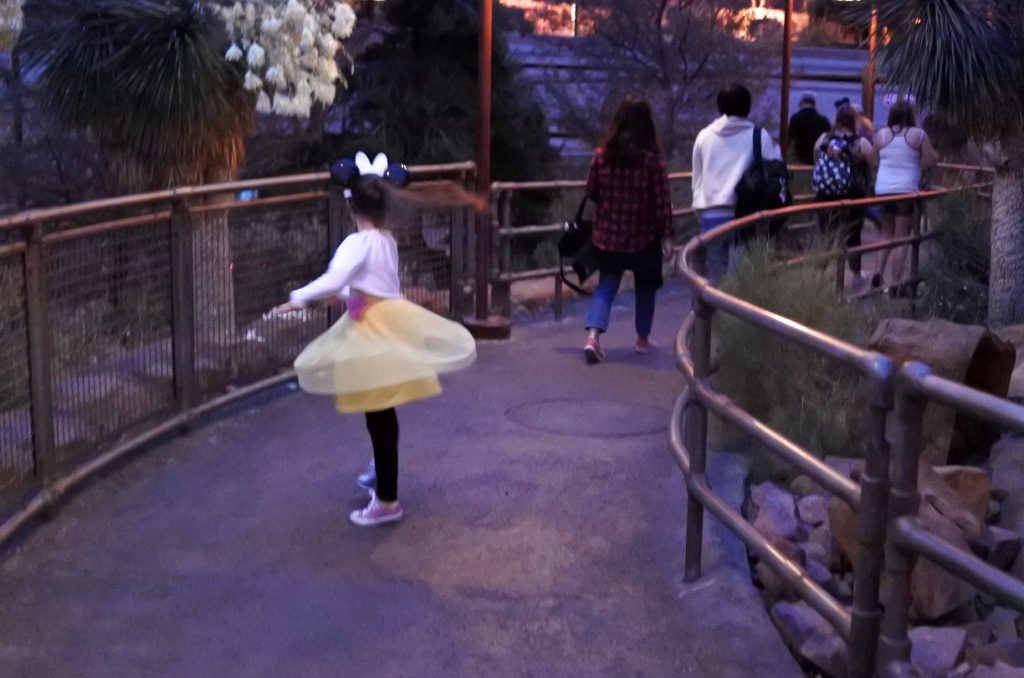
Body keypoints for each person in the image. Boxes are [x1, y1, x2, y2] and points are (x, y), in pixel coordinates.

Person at [273, 155, 477, 527]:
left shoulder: (358, 242)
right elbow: (374, 284)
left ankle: (386, 498)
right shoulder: (386, 240)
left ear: (350, 205)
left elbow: (335, 279)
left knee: (379, 414)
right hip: (386, 325)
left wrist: (298, 296)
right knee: (382, 412)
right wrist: (348, 294)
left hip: (371, 332)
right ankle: (381, 476)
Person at [581, 96, 673, 364]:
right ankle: (642, 339)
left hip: (608, 234)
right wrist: (667, 234)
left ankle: (593, 337)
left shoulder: (602, 154)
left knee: (607, 284)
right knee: (646, 286)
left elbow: (592, 191)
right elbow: (662, 199)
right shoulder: (652, 158)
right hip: (644, 236)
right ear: (647, 123)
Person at [692, 82, 783, 284]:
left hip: (711, 215)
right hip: (745, 216)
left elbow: (697, 179)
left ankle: (712, 314)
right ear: (748, 107)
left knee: (715, 276)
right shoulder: (759, 137)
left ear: (720, 106)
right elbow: (774, 173)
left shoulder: (704, 136)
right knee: (740, 279)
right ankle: (733, 314)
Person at [869, 100, 938, 290]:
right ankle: (896, 283)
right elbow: (931, 160)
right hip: (906, 191)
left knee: (885, 234)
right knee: (901, 237)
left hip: (883, 190)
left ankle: (878, 272)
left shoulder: (881, 134)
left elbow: (874, 162)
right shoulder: (918, 135)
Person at [812, 105, 873, 287]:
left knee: (825, 233)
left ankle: (819, 276)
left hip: (825, 193)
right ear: (855, 120)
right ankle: (855, 275)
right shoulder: (860, 142)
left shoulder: (824, 138)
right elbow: (872, 161)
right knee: (853, 235)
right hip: (853, 195)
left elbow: (816, 157)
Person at [787, 91, 831, 165]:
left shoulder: (795, 118)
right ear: (814, 104)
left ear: (801, 102)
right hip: (818, 160)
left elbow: (791, 141)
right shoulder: (823, 120)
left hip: (799, 161)